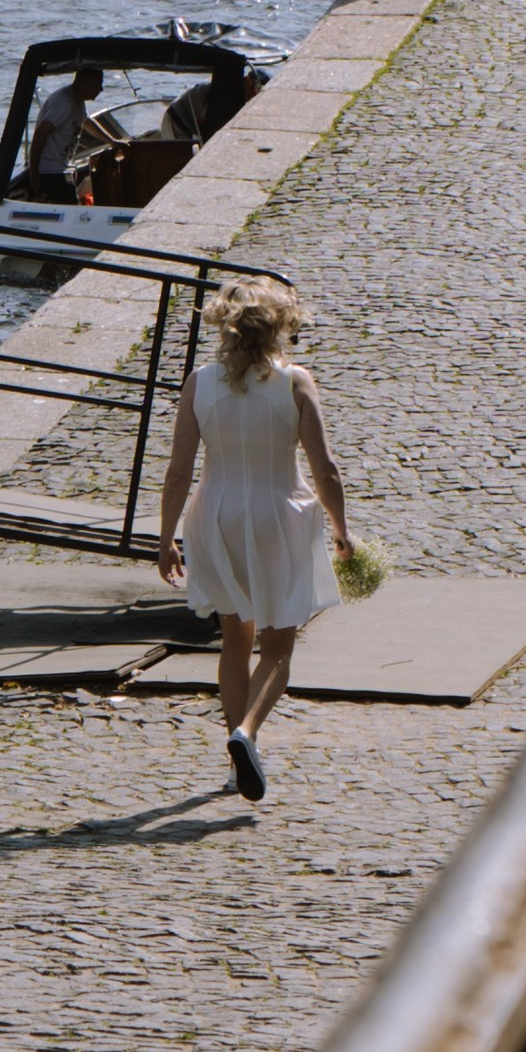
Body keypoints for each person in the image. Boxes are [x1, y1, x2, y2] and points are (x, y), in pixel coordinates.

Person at [157, 276, 355, 802]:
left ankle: (234, 758)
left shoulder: (200, 382)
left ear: (225, 326)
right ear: (283, 327)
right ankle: (247, 732)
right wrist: (340, 529)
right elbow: (324, 467)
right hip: (276, 514)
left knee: (235, 637)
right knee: (279, 644)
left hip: (214, 513)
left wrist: (166, 538)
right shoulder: (294, 381)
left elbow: (178, 471)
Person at [27, 64, 110, 195]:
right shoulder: (64, 102)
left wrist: (112, 141)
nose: (101, 89)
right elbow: (40, 134)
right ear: (85, 81)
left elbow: (87, 123)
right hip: (50, 171)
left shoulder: (78, 100)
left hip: (63, 165)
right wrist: (34, 175)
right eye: (98, 83)